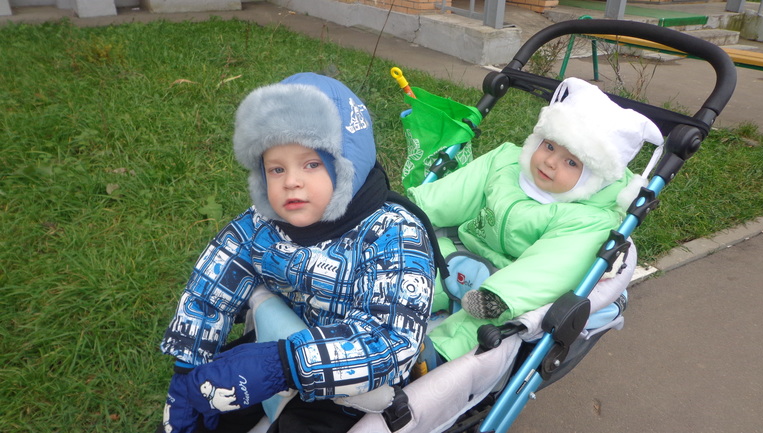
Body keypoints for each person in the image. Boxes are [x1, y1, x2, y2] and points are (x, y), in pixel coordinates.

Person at [158, 72, 435, 433]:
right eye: (276, 169)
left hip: (355, 385)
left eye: (311, 164)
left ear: (348, 164)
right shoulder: (262, 224)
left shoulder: (394, 234)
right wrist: (188, 361)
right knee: (210, 396)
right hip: (278, 346)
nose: (291, 181)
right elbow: (211, 284)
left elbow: (391, 339)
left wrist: (283, 364)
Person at [408, 77, 664, 362]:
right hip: (463, 254)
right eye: (550, 146)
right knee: (414, 266)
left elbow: (553, 266)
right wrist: (413, 210)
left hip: (511, 290)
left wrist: (499, 297)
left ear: (595, 177)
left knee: (482, 328)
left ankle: (433, 356)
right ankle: (387, 313)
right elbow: (458, 193)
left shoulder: (591, 220)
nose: (550, 161)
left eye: (571, 162)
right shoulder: (506, 162)